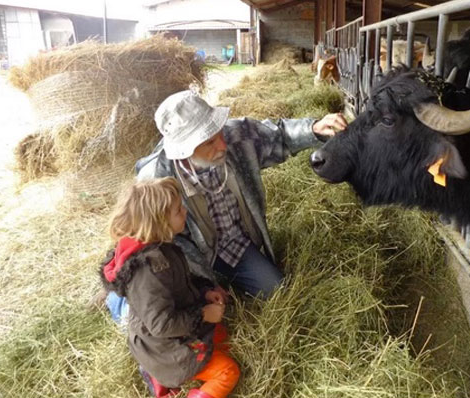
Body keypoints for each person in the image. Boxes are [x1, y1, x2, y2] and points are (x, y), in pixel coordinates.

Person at [105, 90, 347, 322]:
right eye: (209, 142)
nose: (222, 145)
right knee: (168, 315)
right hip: (186, 261)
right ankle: (117, 301)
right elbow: (155, 243)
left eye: (219, 133)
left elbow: (279, 135)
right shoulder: (156, 181)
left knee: (276, 290)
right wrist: (202, 283)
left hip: (235, 243)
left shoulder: (235, 137)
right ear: (184, 150)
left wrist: (313, 129)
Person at [100, 177, 239, 398]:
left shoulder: (161, 249)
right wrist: (202, 314)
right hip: (166, 350)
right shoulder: (147, 272)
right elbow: (161, 325)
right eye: (177, 210)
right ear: (159, 222)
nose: (185, 211)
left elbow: (179, 283)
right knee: (228, 371)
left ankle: (159, 379)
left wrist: (204, 291)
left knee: (223, 336)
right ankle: (165, 377)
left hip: (169, 339)